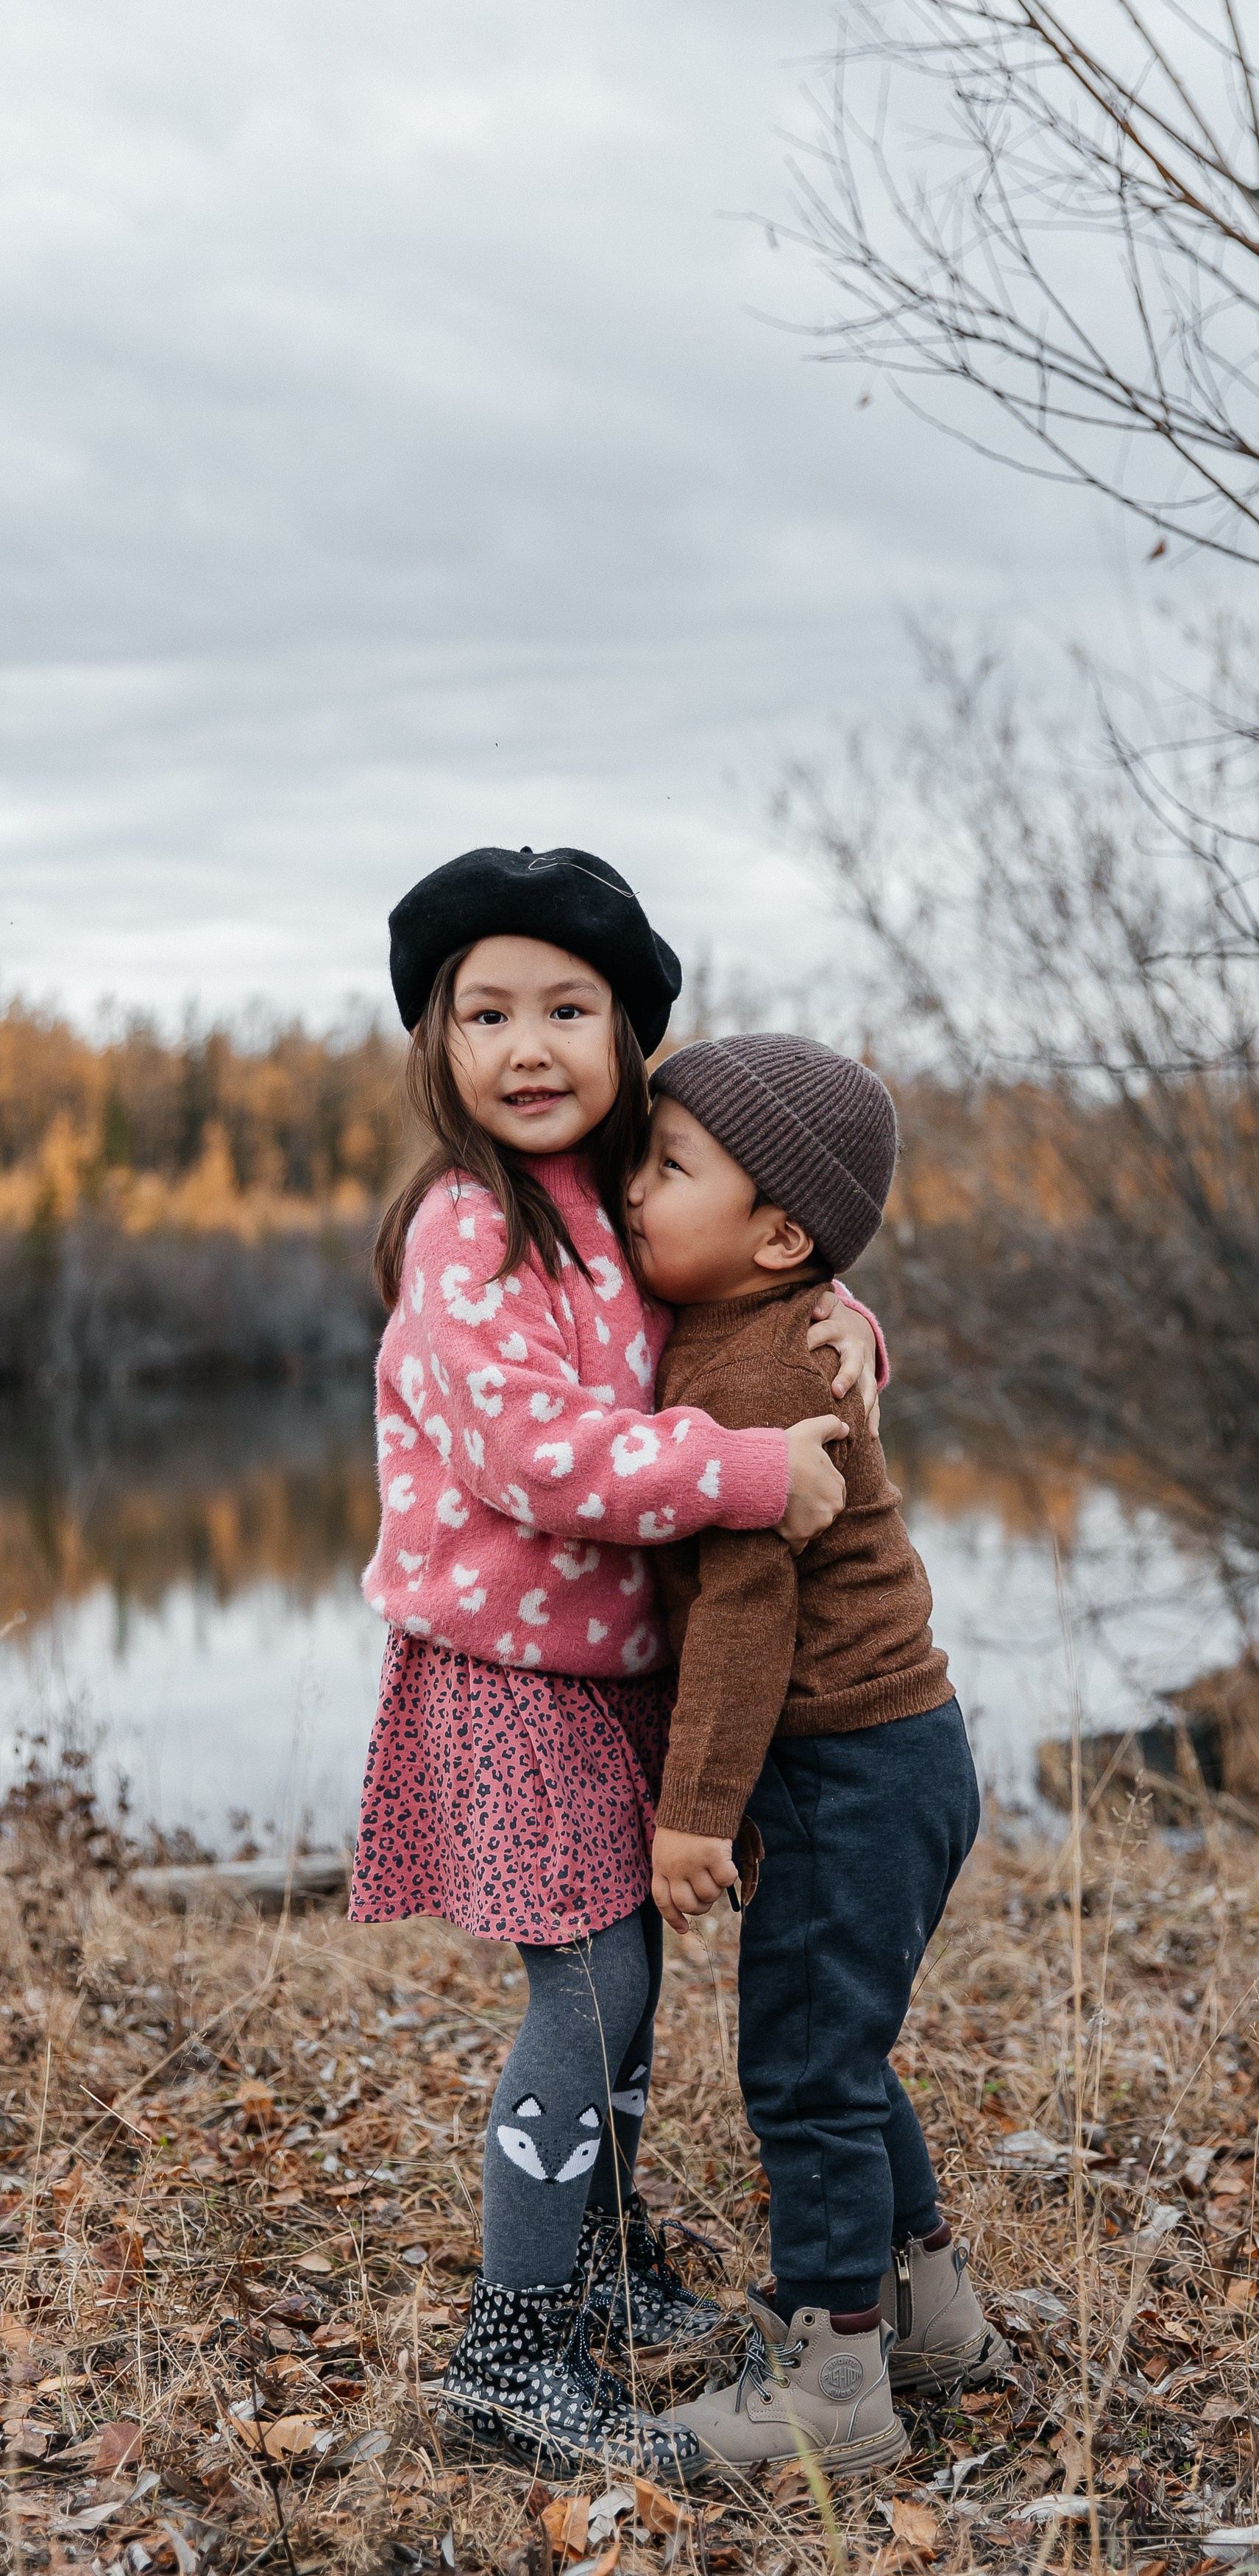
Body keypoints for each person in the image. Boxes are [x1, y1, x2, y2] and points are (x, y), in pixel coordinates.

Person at [349, 849, 884, 2485]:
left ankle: (601, 2260)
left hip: (618, 1668)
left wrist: (846, 1313)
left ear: (628, 1034)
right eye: (485, 1012)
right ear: (438, 1041)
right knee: (590, 1989)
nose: (527, 1045)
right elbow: (530, 1452)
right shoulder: (469, 1226)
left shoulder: (618, 1202)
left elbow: (743, 1280)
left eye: (567, 1010)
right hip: (507, 1667)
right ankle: (512, 2352)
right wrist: (744, 1473)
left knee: (630, 1981)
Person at [625, 1033, 1007, 2483]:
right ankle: (931, 2315)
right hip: (895, 1753)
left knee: (803, 2075)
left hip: (852, 1766)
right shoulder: (769, 1320)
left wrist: (693, 1813)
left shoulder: (758, 1369)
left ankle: (834, 2375)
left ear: (779, 1236)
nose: (636, 1188)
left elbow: (745, 1613)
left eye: (669, 1167)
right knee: (837, 2049)